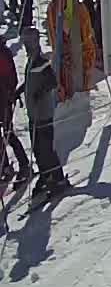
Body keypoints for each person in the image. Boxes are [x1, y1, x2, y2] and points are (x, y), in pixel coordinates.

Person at [24, 53, 69, 199]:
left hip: (43, 114)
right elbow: (30, 82)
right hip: (33, 114)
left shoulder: (42, 61)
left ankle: (59, 179)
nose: (25, 44)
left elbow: (52, 82)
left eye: (29, 40)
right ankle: (45, 176)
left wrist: (40, 93)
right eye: (24, 39)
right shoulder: (30, 60)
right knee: (37, 149)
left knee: (47, 149)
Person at [0, 45, 29, 183]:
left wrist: (9, 94)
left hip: (4, 99)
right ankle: (4, 166)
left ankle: (24, 164)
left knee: (8, 132)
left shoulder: (3, 52)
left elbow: (11, 79)